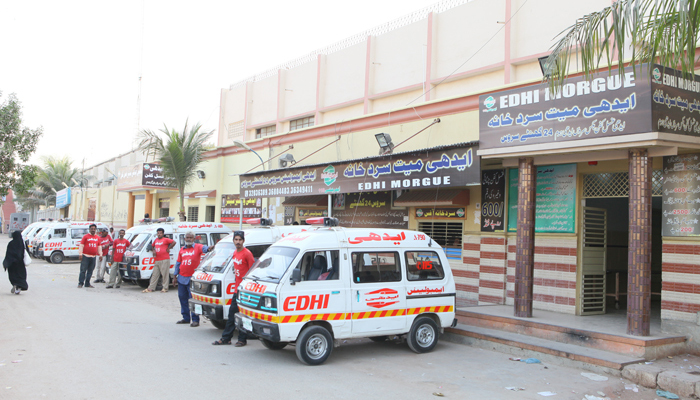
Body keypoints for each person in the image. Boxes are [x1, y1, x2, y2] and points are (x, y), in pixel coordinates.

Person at [213, 231, 254, 347]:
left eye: (240, 240)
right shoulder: (235, 253)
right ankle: (226, 338)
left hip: (244, 290)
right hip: (237, 290)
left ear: (243, 241)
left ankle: (242, 339)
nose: (238, 242)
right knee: (232, 315)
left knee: (243, 315)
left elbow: (251, 271)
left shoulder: (247, 254)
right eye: (236, 240)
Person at [174, 231, 212, 327]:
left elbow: (205, 249)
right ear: (185, 239)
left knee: (193, 299)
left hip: (192, 279)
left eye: (191, 237)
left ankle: (195, 319)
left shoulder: (198, 247)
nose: (189, 239)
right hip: (182, 278)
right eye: (187, 237)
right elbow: (178, 263)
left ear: (194, 239)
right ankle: (186, 318)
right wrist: (175, 275)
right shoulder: (182, 250)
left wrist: (209, 248)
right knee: (182, 298)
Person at [143, 227, 175, 293]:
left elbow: (174, 242)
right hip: (157, 259)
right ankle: (151, 288)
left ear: (163, 234)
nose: (159, 234)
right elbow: (151, 246)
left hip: (164, 259)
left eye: (160, 233)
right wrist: (153, 250)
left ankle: (165, 288)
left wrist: (169, 248)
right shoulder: (156, 240)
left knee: (164, 274)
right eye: (158, 233)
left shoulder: (166, 239)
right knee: (155, 274)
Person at [78, 224, 102, 288]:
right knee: (83, 270)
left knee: (90, 271)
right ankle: (80, 283)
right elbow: (81, 245)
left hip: (93, 257)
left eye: (94, 229)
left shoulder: (97, 237)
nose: (93, 230)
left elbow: (99, 246)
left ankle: (87, 283)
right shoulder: (85, 237)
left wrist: (100, 254)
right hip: (85, 256)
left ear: (95, 230)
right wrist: (80, 254)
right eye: (92, 229)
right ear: (89, 229)